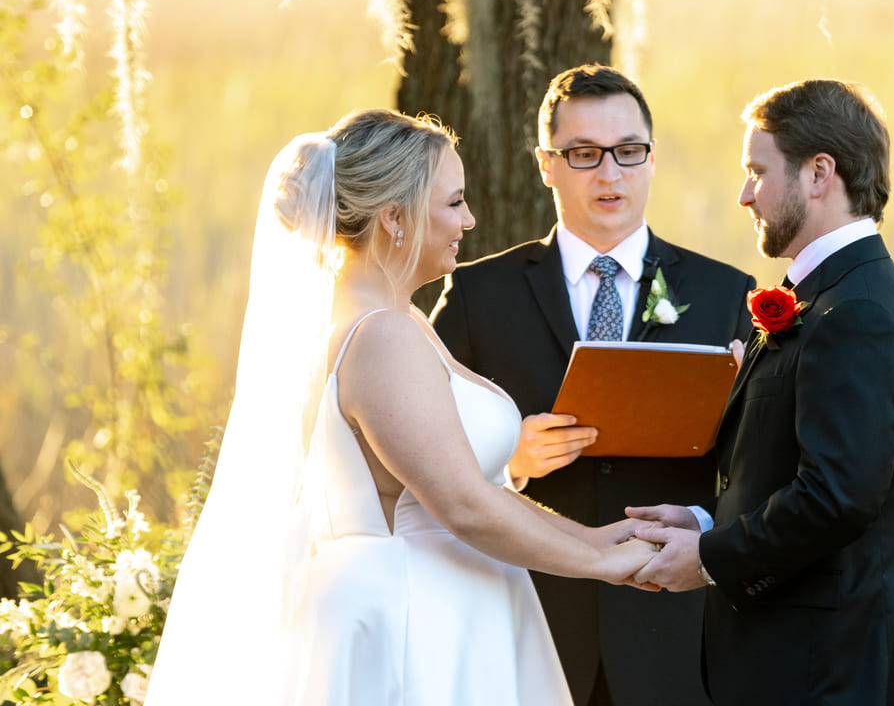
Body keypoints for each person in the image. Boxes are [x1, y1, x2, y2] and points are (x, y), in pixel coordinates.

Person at [144, 109, 658, 706]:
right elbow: (463, 505)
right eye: (454, 203)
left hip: (453, 602)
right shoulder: (380, 335)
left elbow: (485, 488)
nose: (469, 219)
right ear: (395, 217)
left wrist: (601, 540)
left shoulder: (398, 319)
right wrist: (602, 567)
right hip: (414, 623)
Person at [430, 64, 755, 706]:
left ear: (652, 159)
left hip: (675, 631)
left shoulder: (727, 295)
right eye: (584, 154)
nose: (610, 174)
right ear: (546, 164)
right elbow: (418, 451)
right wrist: (510, 461)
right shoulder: (477, 294)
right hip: (528, 618)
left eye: (628, 152)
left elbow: (760, 465)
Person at [629, 79, 894, 705]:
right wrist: (705, 519)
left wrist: (713, 556)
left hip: (829, 672)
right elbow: (797, 472)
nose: (745, 194)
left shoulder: (858, 312)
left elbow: (837, 498)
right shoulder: (830, 298)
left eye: (757, 171)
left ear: (819, 173)